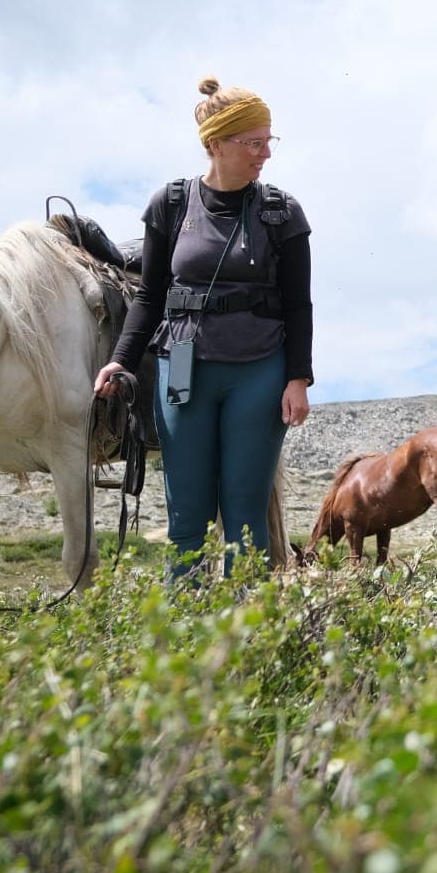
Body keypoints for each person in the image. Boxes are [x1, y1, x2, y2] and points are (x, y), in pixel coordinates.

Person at [95, 77, 314, 581]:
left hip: (260, 373)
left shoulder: (283, 214)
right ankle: (185, 646)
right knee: (186, 517)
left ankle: (246, 641)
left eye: (268, 141)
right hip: (182, 370)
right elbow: (149, 296)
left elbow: (299, 305)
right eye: (253, 143)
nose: (265, 154)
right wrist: (122, 360)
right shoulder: (170, 205)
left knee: (244, 517)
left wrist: (298, 378)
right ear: (216, 144)